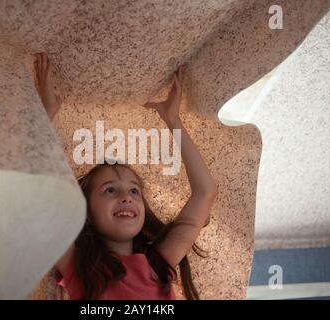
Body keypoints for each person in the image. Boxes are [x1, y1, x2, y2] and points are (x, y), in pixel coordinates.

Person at [34, 53, 218, 300]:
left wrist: (173, 120)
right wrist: (47, 114)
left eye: (134, 191)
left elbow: (206, 192)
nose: (126, 197)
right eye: (110, 190)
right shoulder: (79, 268)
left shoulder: (158, 264)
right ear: (85, 213)